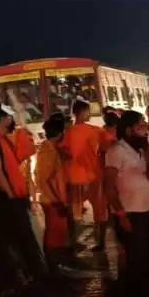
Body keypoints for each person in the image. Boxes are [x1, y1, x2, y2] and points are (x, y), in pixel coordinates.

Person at [104, 110, 149, 297]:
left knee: (146, 257)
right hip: (129, 213)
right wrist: (121, 215)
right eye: (141, 127)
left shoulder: (138, 150)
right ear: (128, 130)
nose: (144, 130)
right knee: (134, 259)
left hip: (143, 212)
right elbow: (109, 186)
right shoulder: (116, 151)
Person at [0, 105, 42, 273]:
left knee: (20, 237)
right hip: (9, 198)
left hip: (16, 195)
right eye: (11, 117)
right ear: (4, 118)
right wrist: (12, 196)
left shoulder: (4, 139)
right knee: (24, 239)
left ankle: (33, 273)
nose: (13, 120)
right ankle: (38, 274)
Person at [63, 99, 106, 251]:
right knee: (99, 210)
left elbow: (64, 152)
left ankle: (73, 241)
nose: (89, 114)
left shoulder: (67, 132)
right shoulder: (94, 130)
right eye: (87, 111)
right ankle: (100, 242)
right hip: (92, 175)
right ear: (80, 113)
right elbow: (109, 142)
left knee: (73, 211)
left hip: (73, 177)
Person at [34, 113, 71, 275]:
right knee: (54, 237)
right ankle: (54, 271)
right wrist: (57, 201)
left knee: (58, 236)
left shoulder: (50, 149)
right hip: (52, 201)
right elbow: (43, 179)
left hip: (55, 200)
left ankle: (57, 270)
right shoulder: (48, 151)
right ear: (60, 133)